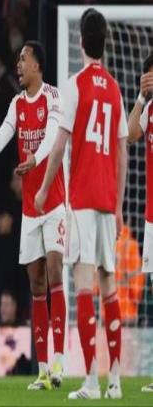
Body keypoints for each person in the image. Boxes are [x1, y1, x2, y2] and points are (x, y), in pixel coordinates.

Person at [35, 8, 127, 400]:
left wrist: (43, 189)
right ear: (104, 43)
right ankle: (116, 381)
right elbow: (122, 151)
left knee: (84, 284)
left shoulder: (75, 86)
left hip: (85, 200)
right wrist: (119, 206)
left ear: (80, 41)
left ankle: (91, 381)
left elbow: (58, 147)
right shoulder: (116, 89)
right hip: (107, 201)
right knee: (109, 286)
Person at [0, 41, 67, 390]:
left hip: (54, 202)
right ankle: (42, 370)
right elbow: (4, 133)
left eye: (23, 59)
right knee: (36, 284)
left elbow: (53, 137)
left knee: (55, 273)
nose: (18, 65)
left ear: (38, 65)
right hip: (29, 209)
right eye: (17, 60)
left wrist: (35, 160)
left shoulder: (53, 97)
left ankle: (59, 363)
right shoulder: (17, 103)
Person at [126, 52, 153, 393]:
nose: (149, 78)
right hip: (151, 219)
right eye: (147, 75)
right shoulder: (149, 110)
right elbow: (130, 134)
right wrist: (141, 96)